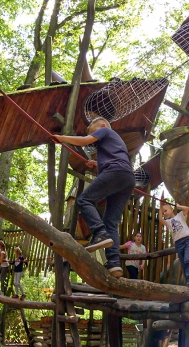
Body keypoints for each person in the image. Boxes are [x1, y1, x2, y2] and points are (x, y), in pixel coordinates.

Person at [53, 117, 136, 278]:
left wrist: (62, 138)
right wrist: (97, 164)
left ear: (102, 126)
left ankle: (99, 233)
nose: (93, 137)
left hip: (116, 172)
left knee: (84, 200)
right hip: (127, 178)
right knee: (111, 221)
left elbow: (85, 141)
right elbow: (117, 159)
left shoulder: (105, 130)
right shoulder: (115, 143)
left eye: (93, 131)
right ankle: (113, 264)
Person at [159, 201, 189, 287]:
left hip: (187, 240)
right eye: (163, 212)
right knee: (183, 263)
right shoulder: (168, 222)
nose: (164, 213)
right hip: (178, 243)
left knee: (187, 260)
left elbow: (186, 208)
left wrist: (178, 206)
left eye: (165, 210)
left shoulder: (180, 216)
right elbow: (160, 219)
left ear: (171, 209)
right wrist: (160, 206)